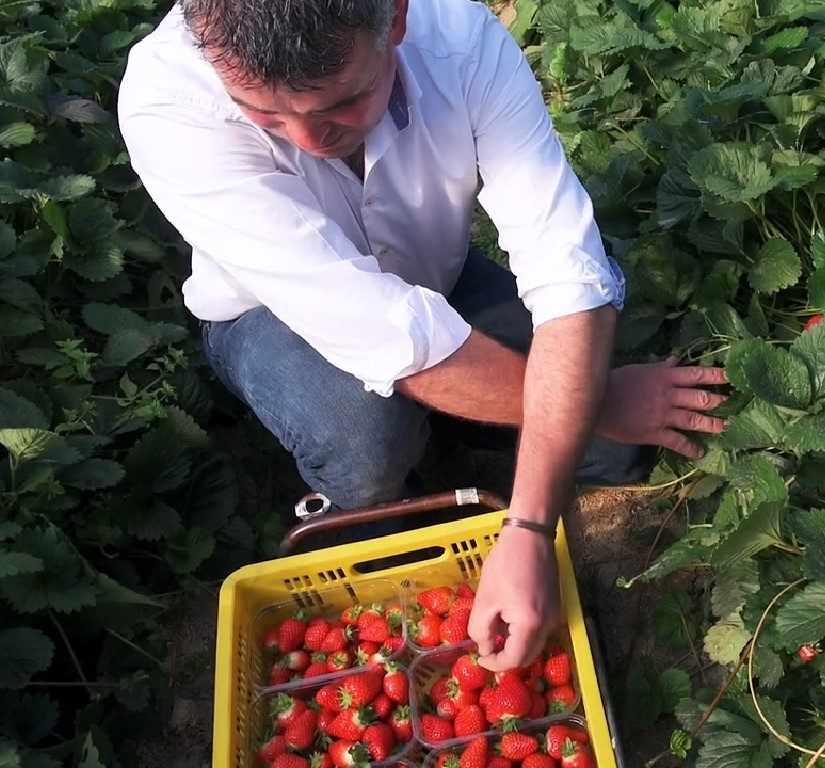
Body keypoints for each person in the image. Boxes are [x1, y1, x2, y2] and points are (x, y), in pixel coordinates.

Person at [116, 0, 728, 672]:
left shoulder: (461, 41)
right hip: (271, 315)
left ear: (396, 21)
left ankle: (445, 428)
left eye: (342, 103)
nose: (306, 139)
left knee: (614, 460)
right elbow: (381, 335)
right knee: (368, 439)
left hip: (433, 277)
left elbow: (566, 270)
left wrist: (527, 526)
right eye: (264, 116)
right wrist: (598, 402)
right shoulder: (169, 99)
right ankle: (376, 520)